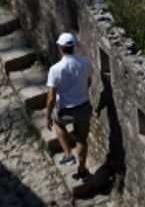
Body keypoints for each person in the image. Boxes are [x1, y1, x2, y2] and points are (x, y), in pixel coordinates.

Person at [45, 32, 94, 181]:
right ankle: (82, 169)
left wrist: (47, 116)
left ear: (60, 47)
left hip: (67, 109)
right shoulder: (84, 62)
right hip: (84, 106)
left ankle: (68, 155)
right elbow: (89, 82)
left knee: (58, 124)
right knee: (82, 139)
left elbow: (51, 97)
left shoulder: (55, 69)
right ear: (73, 46)